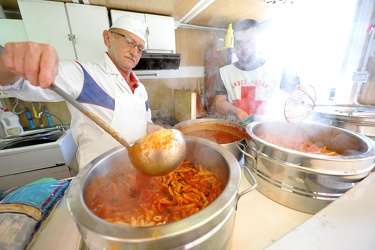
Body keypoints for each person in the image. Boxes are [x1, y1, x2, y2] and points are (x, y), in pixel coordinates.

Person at [0, 15, 164, 170]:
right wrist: (13, 62)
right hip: (100, 176)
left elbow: (144, 120)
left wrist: (150, 128)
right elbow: (17, 82)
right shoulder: (84, 75)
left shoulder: (140, 89)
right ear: (108, 38)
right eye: (129, 42)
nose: (134, 52)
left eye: (140, 48)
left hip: (139, 169)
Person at [213, 19, 300, 122]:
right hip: (236, 130)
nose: (244, 47)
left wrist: (299, 97)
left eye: (249, 41)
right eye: (239, 42)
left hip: (267, 130)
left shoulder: (277, 69)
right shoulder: (225, 73)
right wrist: (237, 111)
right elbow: (219, 102)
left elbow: (297, 92)